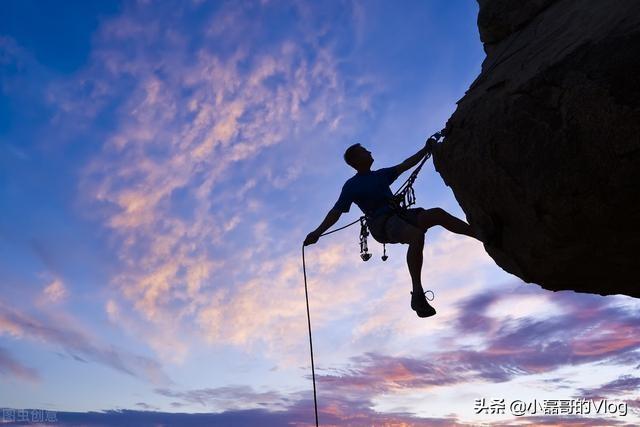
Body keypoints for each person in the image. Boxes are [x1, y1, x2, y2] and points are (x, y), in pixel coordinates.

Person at [303, 139, 479, 318]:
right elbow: (336, 211)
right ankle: (417, 294)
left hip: (398, 215)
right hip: (381, 224)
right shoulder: (351, 186)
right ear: (356, 160)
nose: (369, 152)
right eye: (365, 151)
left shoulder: (380, 175)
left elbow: (405, 165)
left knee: (437, 214)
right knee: (416, 236)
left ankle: (481, 235)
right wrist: (318, 232)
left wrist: (426, 149)